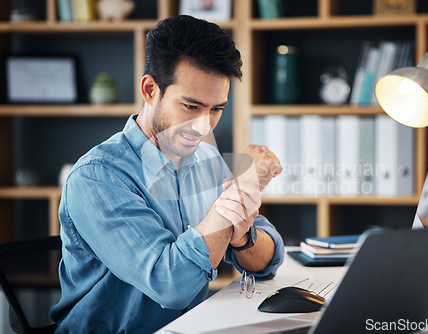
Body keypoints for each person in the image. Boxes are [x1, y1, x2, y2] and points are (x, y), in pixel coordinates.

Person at [50, 15, 285, 333]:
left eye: (217, 109)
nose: (204, 127)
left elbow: (268, 261)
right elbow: (171, 285)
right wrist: (238, 193)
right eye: (191, 106)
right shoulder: (97, 178)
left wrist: (242, 237)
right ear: (150, 90)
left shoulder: (206, 157)